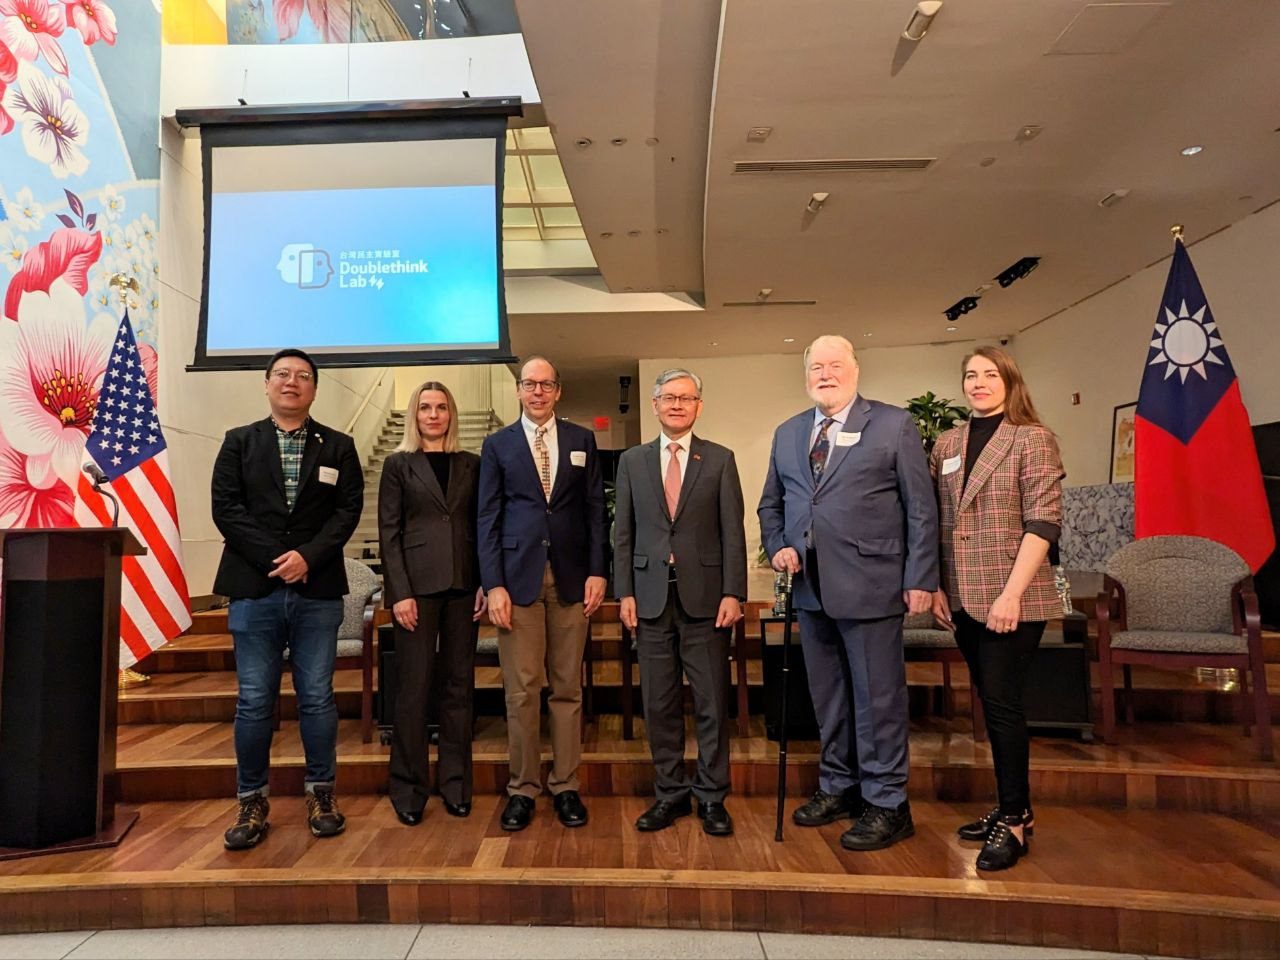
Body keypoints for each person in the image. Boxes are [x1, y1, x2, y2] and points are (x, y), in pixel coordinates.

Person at [758, 334, 938, 851]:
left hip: (872, 587)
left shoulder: (893, 424)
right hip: (811, 589)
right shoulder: (789, 432)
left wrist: (920, 578)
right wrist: (778, 546)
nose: (825, 373)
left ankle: (887, 803)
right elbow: (771, 505)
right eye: (816, 366)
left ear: (856, 370)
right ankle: (839, 786)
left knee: (878, 700)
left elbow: (921, 509)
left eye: (835, 364)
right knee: (829, 698)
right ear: (805, 375)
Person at [211, 348, 363, 850]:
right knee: (255, 700)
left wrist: (307, 557)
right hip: (254, 590)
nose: (292, 383)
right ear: (268, 384)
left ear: (315, 389)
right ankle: (251, 800)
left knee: (317, 698)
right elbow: (226, 510)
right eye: (283, 375)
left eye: (302, 377)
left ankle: (322, 794)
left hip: (317, 592)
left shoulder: (338, 447)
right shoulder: (238, 442)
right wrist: (281, 557)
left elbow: (347, 513)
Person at [929, 346, 1064, 872]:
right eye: (970, 375)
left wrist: (1011, 593)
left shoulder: (1033, 438)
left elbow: (1044, 522)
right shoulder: (948, 442)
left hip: (1013, 596)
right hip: (961, 593)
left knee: (1004, 706)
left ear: (1010, 381)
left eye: (989, 374)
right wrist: (938, 586)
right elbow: (940, 521)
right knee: (989, 699)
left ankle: (1013, 820)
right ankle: (1015, 808)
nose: (978, 383)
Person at [614, 369, 747, 836]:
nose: (677, 405)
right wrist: (624, 592)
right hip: (649, 598)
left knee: (712, 701)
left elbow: (734, 531)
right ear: (653, 404)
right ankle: (669, 793)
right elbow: (623, 533)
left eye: (686, 398)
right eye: (668, 397)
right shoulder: (632, 461)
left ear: (698, 406)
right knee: (659, 703)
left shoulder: (721, 460)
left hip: (707, 600)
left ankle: (712, 796)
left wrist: (734, 591)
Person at [477, 356, 608, 831]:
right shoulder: (497, 445)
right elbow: (487, 518)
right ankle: (523, 788)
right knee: (522, 690)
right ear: (518, 391)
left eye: (545, 384)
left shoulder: (581, 440)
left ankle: (566, 785)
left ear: (558, 390)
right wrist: (493, 583)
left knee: (568, 688)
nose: (537, 391)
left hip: (573, 579)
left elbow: (596, 512)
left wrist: (599, 570)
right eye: (528, 384)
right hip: (517, 581)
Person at [378, 381, 486, 826]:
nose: (434, 414)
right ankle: (409, 788)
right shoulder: (397, 464)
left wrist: (486, 583)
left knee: (459, 688)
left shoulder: (472, 464)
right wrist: (399, 593)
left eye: (442, 407)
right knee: (414, 690)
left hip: (464, 588)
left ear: (451, 414)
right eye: (425, 407)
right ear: (414, 414)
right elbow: (389, 533)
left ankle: (457, 784)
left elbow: (483, 527)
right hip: (416, 594)